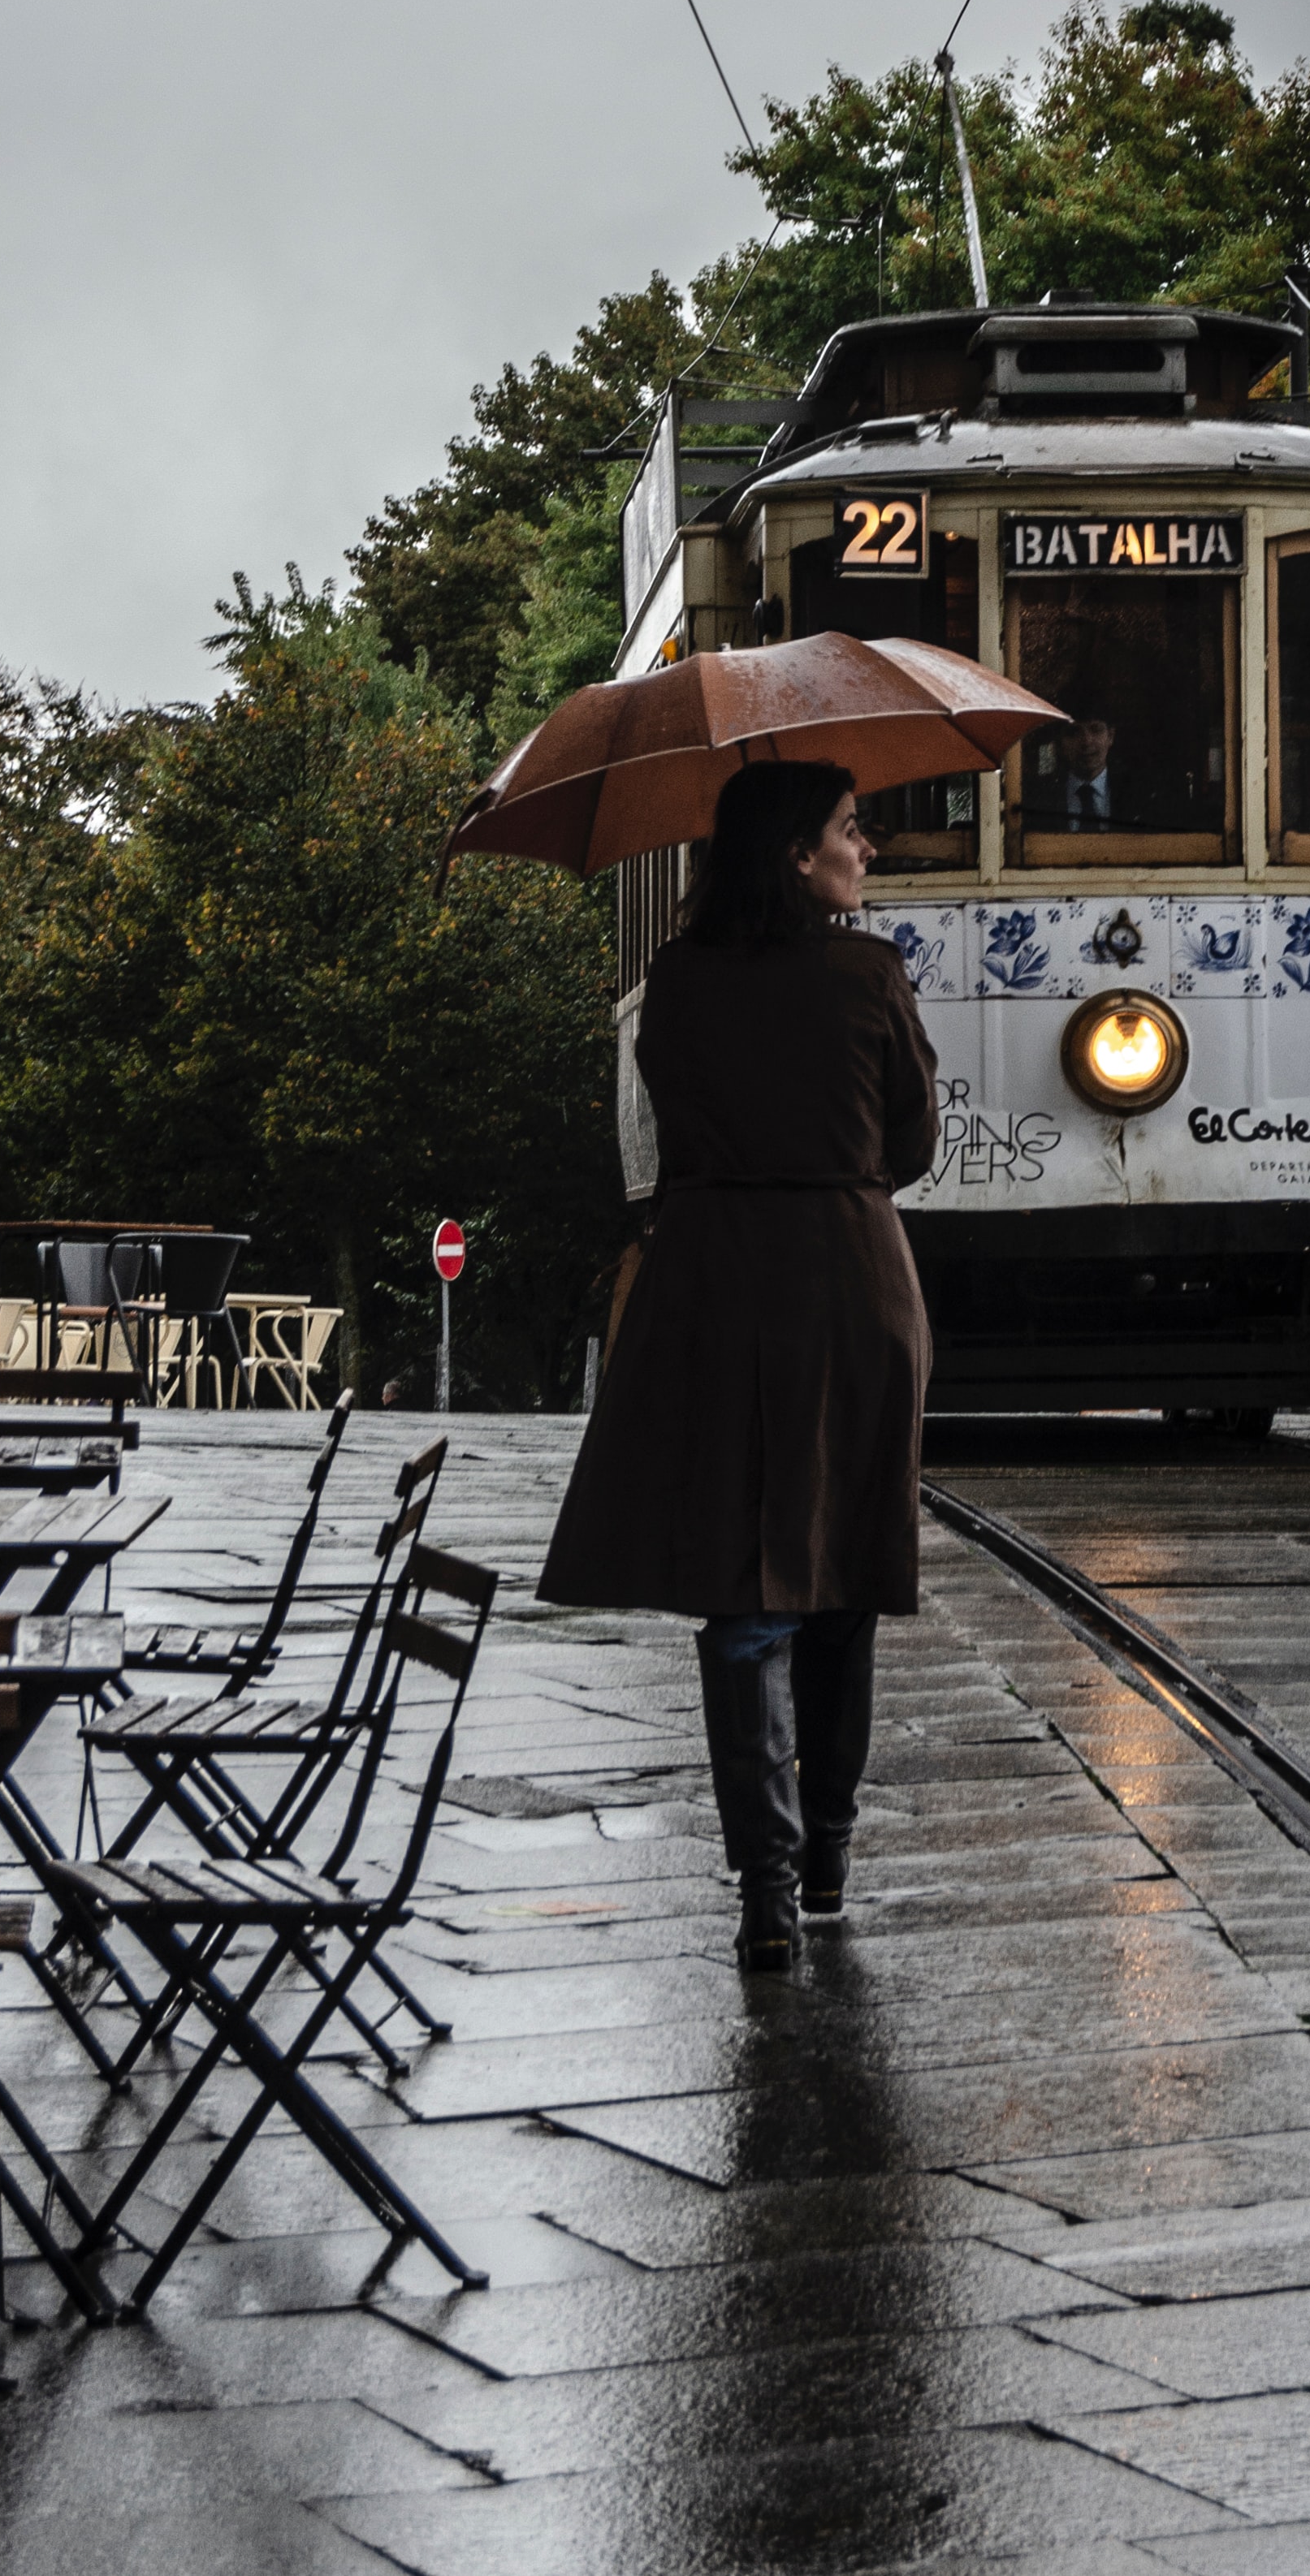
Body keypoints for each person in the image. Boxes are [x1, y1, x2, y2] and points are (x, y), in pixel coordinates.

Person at [537, 762, 939, 1972]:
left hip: (712, 1287)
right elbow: (913, 1140)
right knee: (841, 1582)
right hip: (848, 1283)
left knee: (744, 1595)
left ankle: (763, 1891)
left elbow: (673, 1119)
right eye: (848, 829)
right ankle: (826, 1854)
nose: (866, 847)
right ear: (795, 856)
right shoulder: (868, 975)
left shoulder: (677, 981)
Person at [1023, 695, 1122, 830]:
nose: (1086, 742)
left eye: (1095, 730)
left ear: (1110, 737)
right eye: (1074, 732)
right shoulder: (1039, 797)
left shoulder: (1135, 793)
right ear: (1060, 743)